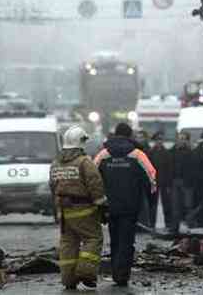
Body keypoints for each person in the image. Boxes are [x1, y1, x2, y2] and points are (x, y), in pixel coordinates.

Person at [95, 123, 156, 287]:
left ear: (115, 134)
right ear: (130, 136)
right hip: (131, 205)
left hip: (109, 205)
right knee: (127, 240)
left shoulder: (103, 154)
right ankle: (122, 275)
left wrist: (98, 201)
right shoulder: (138, 154)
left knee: (114, 239)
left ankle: (116, 272)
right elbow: (151, 177)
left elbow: (92, 178)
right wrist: (150, 201)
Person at [49, 125, 107, 290]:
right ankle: (86, 272)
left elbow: (53, 187)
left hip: (64, 212)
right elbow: (95, 185)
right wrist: (102, 205)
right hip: (84, 210)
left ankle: (68, 279)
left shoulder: (56, 163)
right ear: (81, 142)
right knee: (93, 238)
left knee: (68, 243)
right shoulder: (84, 162)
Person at [169, 131, 193, 233]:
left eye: (184, 138)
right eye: (180, 138)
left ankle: (190, 228)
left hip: (186, 182)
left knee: (188, 205)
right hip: (175, 180)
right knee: (175, 206)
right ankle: (175, 227)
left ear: (187, 140)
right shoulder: (173, 151)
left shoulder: (191, 152)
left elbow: (194, 169)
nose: (181, 140)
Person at [148, 131, 172, 230]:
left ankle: (168, 224)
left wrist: (168, 183)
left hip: (164, 182)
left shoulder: (167, 153)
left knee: (166, 204)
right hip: (154, 182)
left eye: (161, 139)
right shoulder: (150, 153)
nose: (159, 141)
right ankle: (152, 224)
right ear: (155, 141)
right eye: (158, 139)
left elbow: (170, 169)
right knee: (153, 204)